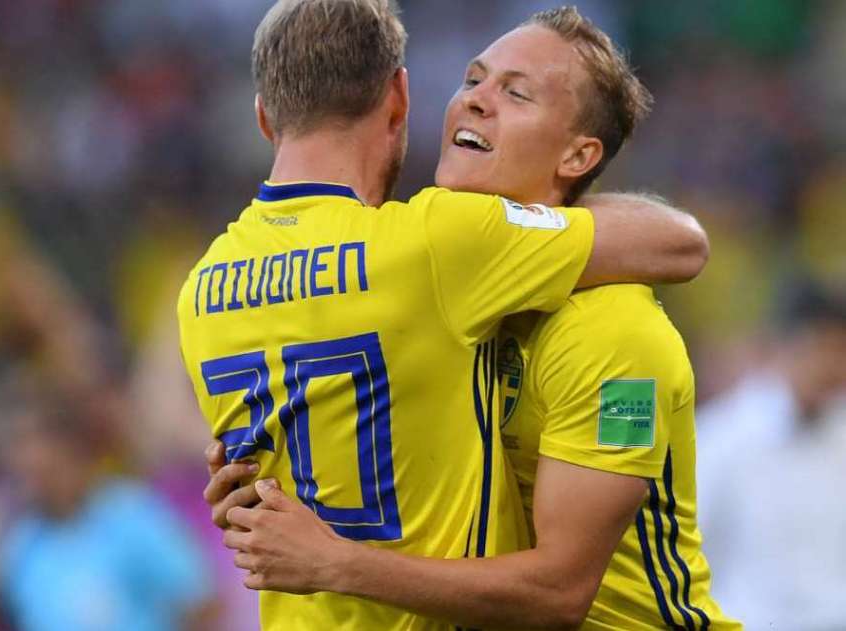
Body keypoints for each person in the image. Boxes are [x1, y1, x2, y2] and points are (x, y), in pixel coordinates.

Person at [202, 5, 742, 630]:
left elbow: (560, 593)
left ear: (578, 155)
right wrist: (263, 489)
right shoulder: (435, 282)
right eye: (473, 80)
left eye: (516, 94)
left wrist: (335, 563)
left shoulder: (614, 335)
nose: (475, 102)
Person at [0, 383, 214, 631]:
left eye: (50, 470)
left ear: (77, 454)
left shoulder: (130, 513)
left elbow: (201, 601)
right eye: (29, 473)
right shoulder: (22, 543)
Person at [696, 281, 846, 628]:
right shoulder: (722, 437)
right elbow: (690, 555)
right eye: (823, 349)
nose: (832, 366)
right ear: (784, 347)